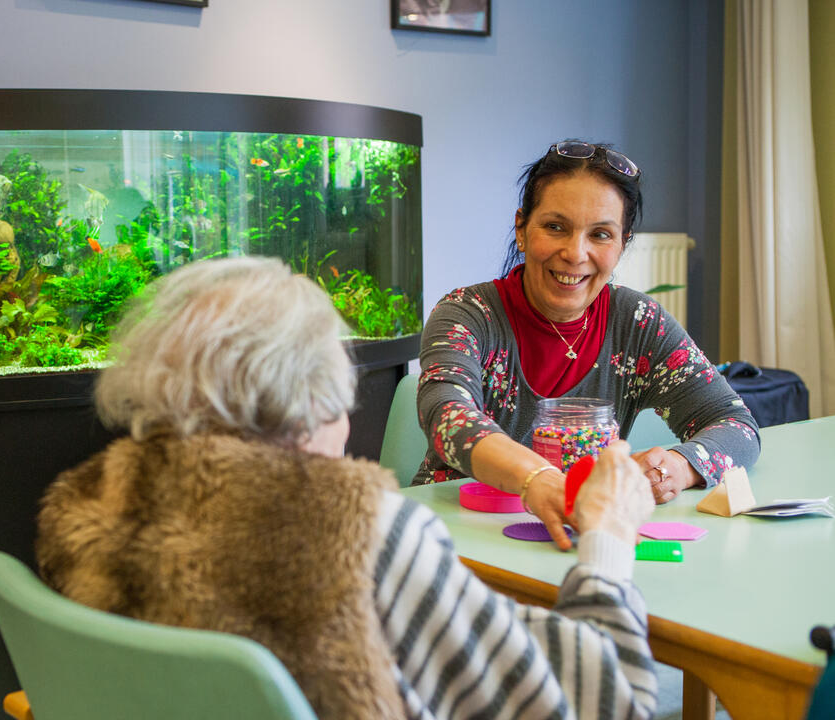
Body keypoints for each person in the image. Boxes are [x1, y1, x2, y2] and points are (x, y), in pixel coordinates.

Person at [36, 256, 659, 719]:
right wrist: (606, 538)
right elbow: (603, 704)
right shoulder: (364, 535)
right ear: (314, 397)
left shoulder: (88, 507)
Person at [415, 140, 761, 549]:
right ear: (522, 229)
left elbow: (736, 425)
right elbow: (448, 416)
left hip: (586, 544)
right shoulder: (468, 313)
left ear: (621, 245)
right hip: (460, 540)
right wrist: (537, 480)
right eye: (555, 227)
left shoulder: (638, 323)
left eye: (600, 234)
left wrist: (677, 467)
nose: (575, 253)